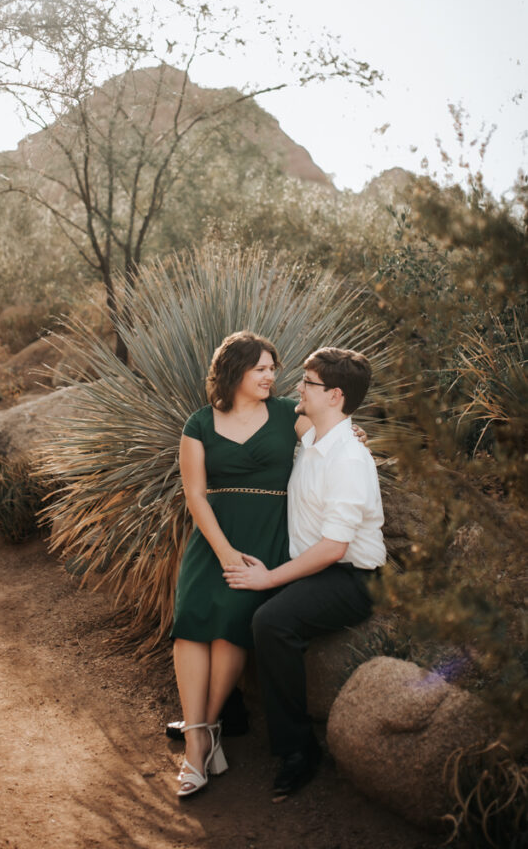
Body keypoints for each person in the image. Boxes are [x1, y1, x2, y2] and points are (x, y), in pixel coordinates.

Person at [224, 346, 386, 802]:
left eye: (307, 382)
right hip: (314, 567)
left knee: (271, 621)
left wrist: (271, 579)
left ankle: (299, 751)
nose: (296, 385)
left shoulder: (349, 460)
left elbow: (335, 547)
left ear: (334, 395)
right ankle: (226, 711)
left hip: (351, 578)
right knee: (231, 595)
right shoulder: (312, 439)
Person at [170, 331, 300, 796]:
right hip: (213, 538)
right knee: (192, 624)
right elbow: (194, 494)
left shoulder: (289, 414)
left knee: (231, 622)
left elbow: (332, 436)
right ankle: (198, 740)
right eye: (261, 368)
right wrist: (223, 551)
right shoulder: (199, 423)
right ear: (235, 372)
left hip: (266, 537)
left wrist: (355, 433)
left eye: (272, 369)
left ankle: (201, 736)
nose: (270, 376)